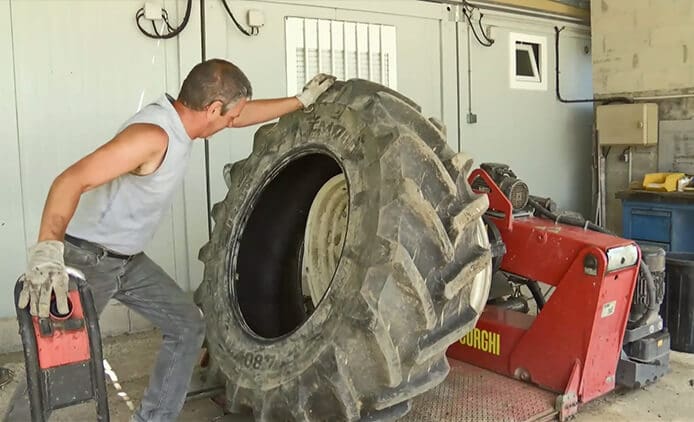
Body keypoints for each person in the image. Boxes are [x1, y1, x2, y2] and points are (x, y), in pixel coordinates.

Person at [5, 59, 336, 422]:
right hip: (88, 260)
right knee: (60, 363)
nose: (233, 122)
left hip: (128, 262)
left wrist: (301, 100)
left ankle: (153, 418)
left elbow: (238, 115)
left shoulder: (187, 123)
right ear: (212, 108)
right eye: (228, 116)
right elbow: (69, 180)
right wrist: (48, 252)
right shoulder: (152, 135)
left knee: (186, 325)